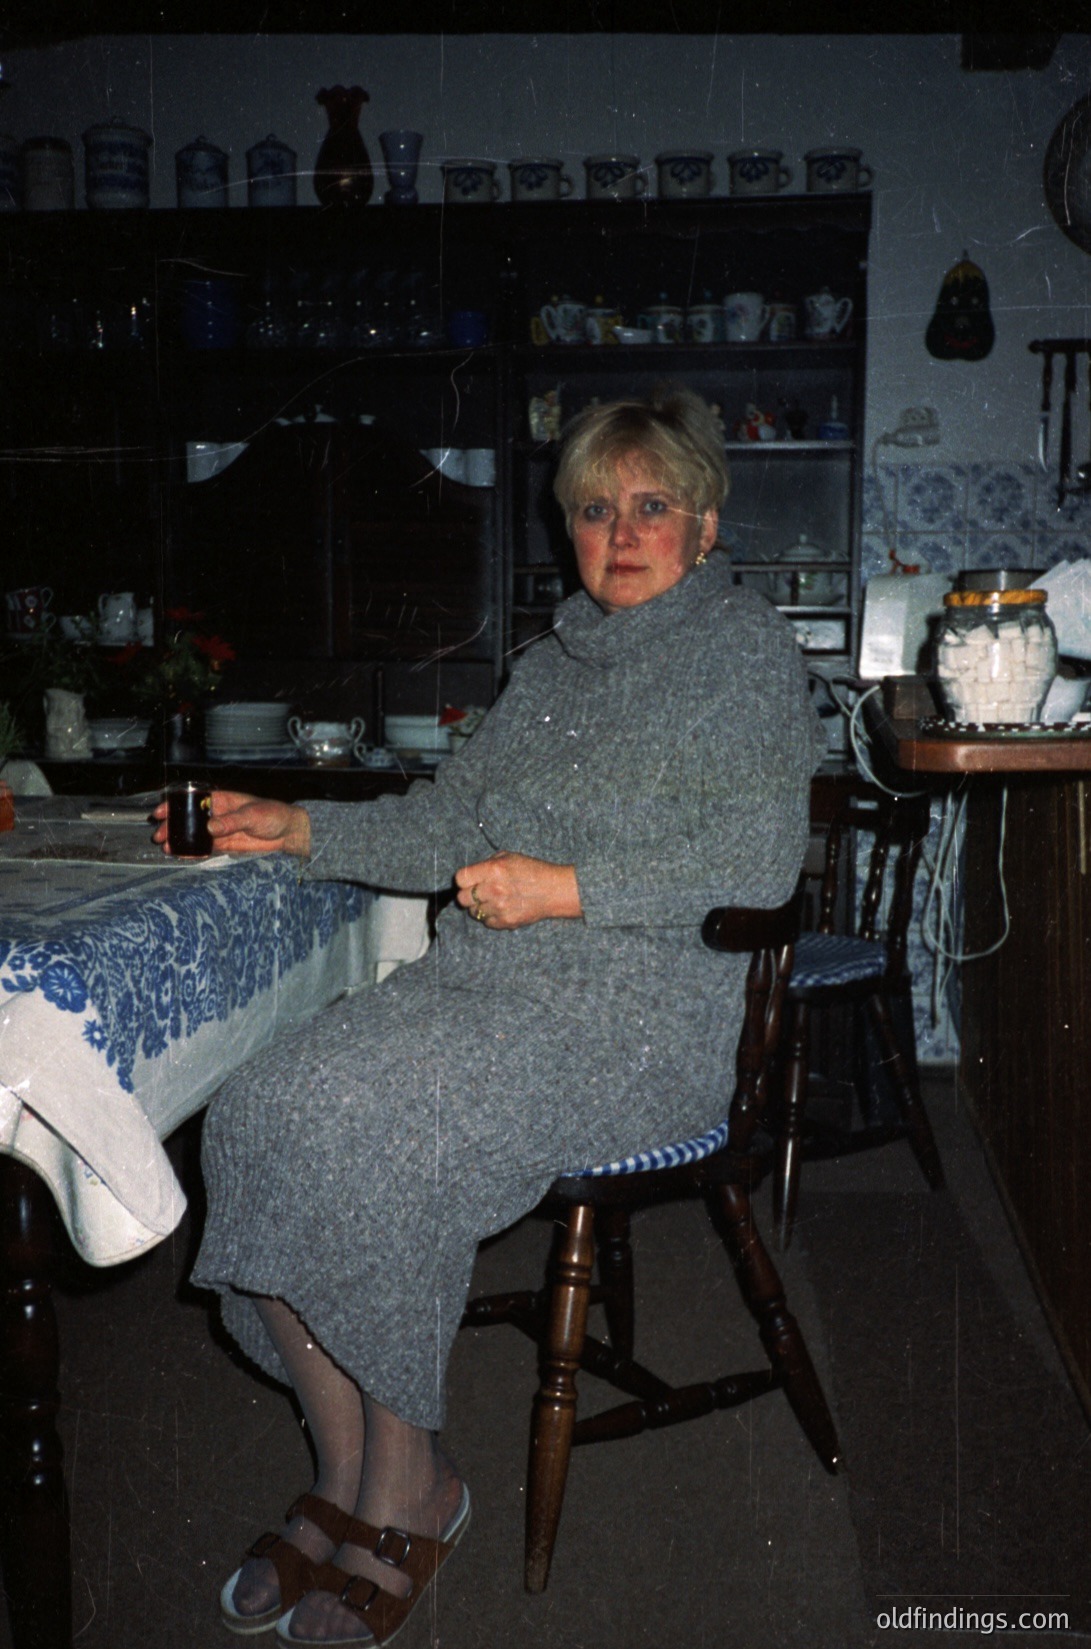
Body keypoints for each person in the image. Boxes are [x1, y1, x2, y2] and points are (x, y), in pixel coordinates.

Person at [155, 388, 825, 1646]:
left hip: (636, 1016)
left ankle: (414, 1490)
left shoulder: (741, 652)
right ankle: (348, 1471)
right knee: (256, 1108)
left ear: (705, 522)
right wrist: (299, 826)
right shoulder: (550, 666)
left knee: (388, 1127)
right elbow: (444, 823)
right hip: (482, 991)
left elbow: (754, 861)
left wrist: (564, 889)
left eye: (649, 505)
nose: (619, 531)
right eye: (591, 508)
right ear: (563, 527)